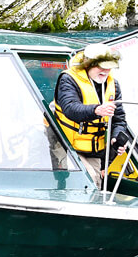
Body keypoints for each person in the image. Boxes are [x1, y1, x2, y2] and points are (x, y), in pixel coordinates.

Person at [52, 44, 132, 177]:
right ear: (88, 64)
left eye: (109, 67)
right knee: (88, 179)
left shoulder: (113, 85)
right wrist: (96, 110)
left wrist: (115, 138)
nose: (106, 71)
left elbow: (119, 120)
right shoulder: (68, 79)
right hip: (66, 145)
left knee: (98, 181)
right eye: (101, 66)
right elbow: (70, 108)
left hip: (94, 149)